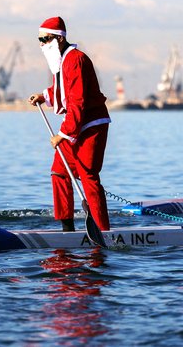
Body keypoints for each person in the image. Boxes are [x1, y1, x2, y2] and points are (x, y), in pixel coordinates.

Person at [29, 16, 111, 232]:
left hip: (91, 124)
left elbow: (77, 101)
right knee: (59, 172)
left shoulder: (75, 59)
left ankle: (103, 231)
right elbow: (62, 90)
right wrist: (44, 96)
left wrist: (63, 134)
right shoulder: (63, 60)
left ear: (58, 39)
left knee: (88, 176)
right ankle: (68, 230)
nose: (41, 44)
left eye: (44, 39)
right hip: (76, 125)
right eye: (39, 40)